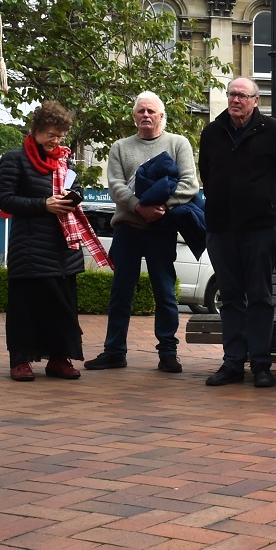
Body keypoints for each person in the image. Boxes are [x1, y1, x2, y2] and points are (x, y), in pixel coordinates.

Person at [84, 92, 197, 373]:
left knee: (165, 292)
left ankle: (168, 353)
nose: (146, 115)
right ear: (134, 116)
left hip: (162, 229)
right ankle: (114, 351)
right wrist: (138, 207)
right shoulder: (120, 148)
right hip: (128, 228)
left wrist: (160, 206)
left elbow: (189, 185)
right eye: (141, 111)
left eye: (151, 111)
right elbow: (116, 187)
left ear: (161, 116)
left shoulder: (178, 143)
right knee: (120, 293)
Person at [0, 102, 106, 382]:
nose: (54, 141)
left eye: (59, 136)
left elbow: (77, 188)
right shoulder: (14, 159)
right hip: (29, 247)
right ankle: (20, 360)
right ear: (35, 131)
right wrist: (44, 204)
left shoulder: (65, 160)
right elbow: (6, 200)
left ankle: (59, 358)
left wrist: (73, 198)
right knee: (25, 306)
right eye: (49, 135)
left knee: (63, 306)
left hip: (62, 248)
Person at [201, 78, 276, 388]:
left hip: (260, 228)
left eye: (242, 95)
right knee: (231, 297)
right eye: (232, 94)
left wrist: (265, 202)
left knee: (260, 297)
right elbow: (206, 174)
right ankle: (233, 363)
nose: (235, 99)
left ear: (256, 100)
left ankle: (262, 364)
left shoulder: (273, 130)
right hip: (221, 228)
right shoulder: (212, 132)